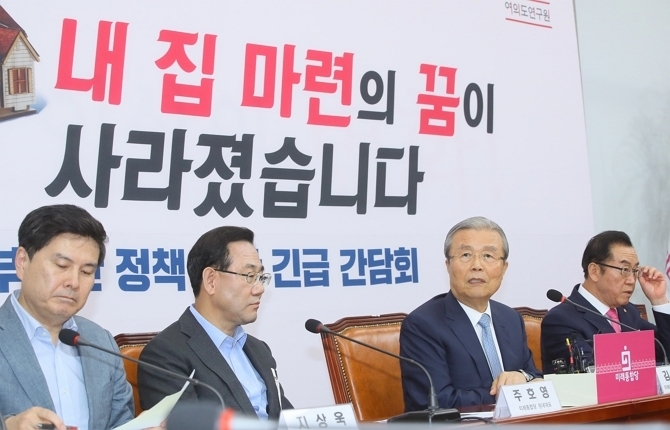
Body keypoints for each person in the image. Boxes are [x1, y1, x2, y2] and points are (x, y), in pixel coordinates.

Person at [0, 204, 134, 430]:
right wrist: (8, 425)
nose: (74, 282)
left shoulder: (100, 341)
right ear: (22, 261)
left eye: (86, 272)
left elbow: (121, 422)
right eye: (62, 265)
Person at [138, 226, 292, 420]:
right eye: (250, 276)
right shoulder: (165, 356)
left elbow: (288, 419)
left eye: (261, 277)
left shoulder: (259, 350)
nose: (260, 289)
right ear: (211, 280)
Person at [400, 216, 542, 410]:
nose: (477, 265)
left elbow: (534, 377)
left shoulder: (511, 319)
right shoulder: (423, 325)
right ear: (448, 265)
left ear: (504, 268)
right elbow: (437, 402)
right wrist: (508, 393)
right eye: (466, 255)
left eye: (488, 256)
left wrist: (522, 377)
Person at [541, 230, 670, 373]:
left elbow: (666, 354)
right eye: (625, 269)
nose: (632, 280)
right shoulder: (561, 320)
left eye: (635, 271)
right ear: (594, 271)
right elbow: (587, 374)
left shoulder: (629, 312)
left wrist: (659, 300)